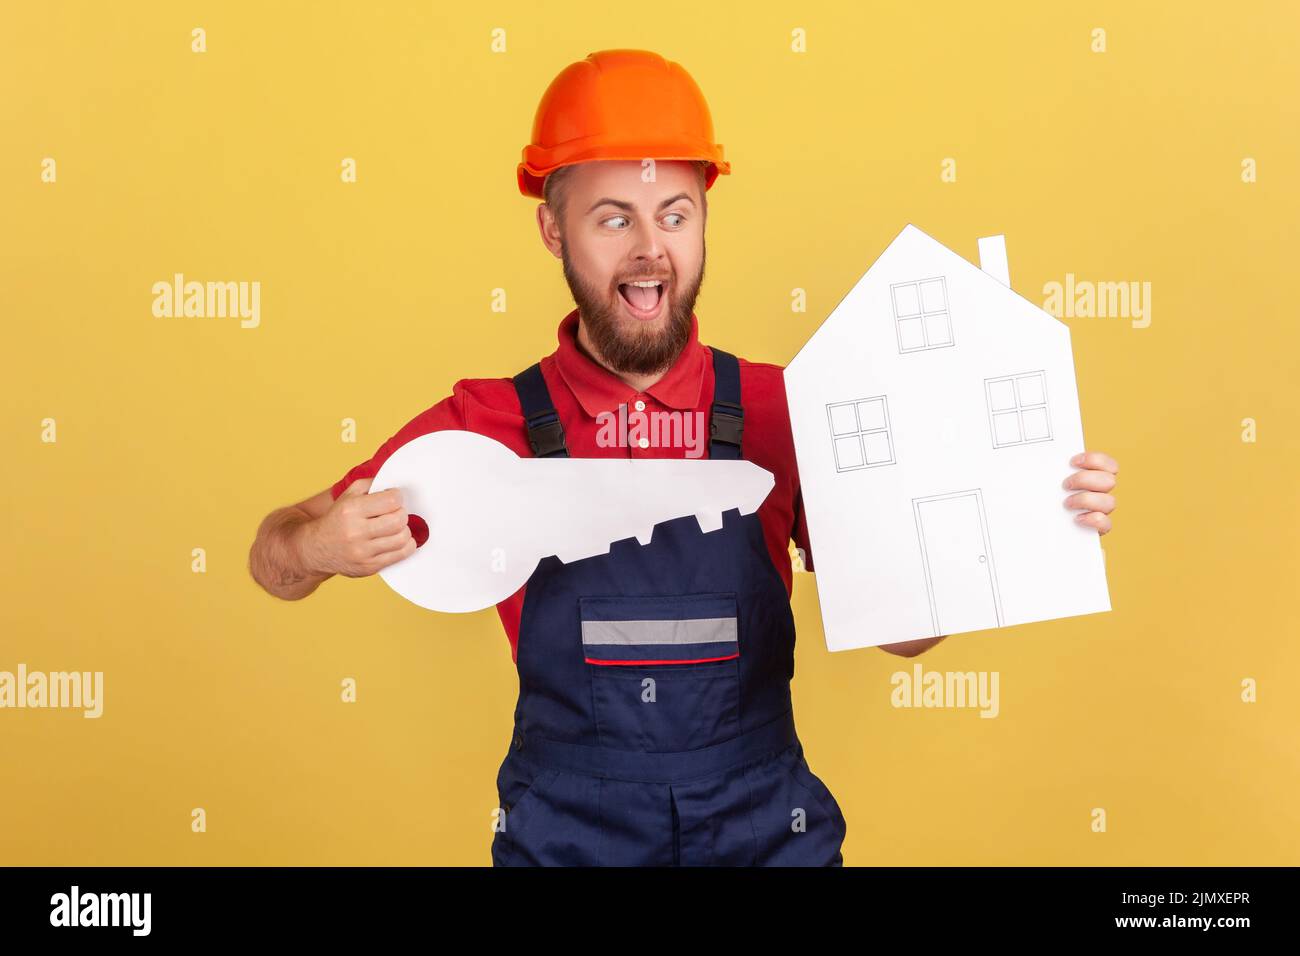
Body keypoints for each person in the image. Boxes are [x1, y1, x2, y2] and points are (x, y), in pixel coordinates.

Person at [248, 49, 1120, 866]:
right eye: (611, 218)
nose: (649, 249)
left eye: (674, 215)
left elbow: (904, 635)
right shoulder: (489, 422)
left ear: (703, 219)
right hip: (567, 836)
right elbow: (273, 560)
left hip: (765, 828)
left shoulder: (787, 408)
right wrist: (322, 546)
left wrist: (1021, 515)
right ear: (553, 231)